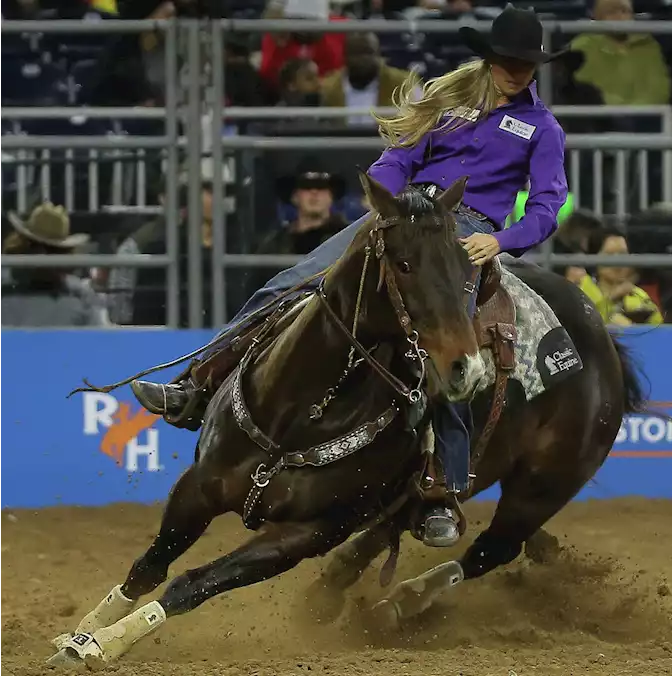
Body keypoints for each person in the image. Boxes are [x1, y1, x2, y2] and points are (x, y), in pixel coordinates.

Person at [128, 6, 569, 548]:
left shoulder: (542, 128)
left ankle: (439, 487)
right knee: (289, 284)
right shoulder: (448, 100)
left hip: (464, 236)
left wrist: (500, 240)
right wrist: (387, 200)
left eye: (525, 63)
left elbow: (548, 206)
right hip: (402, 219)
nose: (516, 70)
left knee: (455, 352)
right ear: (491, 57)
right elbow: (394, 159)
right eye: (508, 59)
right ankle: (198, 384)